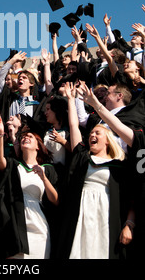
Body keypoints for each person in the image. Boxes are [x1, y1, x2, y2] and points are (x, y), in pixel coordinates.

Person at [55, 82, 134, 259]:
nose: (92, 135)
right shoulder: (83, 158)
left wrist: (129, 224)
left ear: (108, 140)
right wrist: (71, 99)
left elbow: (132, 197)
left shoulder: (119, 165)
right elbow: (74, 126)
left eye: (97, 133)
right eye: (91, 134)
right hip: (80, 212)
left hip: (106, 214)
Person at [0, 113, 58, 259]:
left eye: (30, 137)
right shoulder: (14, 166)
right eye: (22, 137)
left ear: (38, 146)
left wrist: (43, 178)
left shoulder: (48, 169)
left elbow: (55, 200)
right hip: (15, 223)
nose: (25, 138)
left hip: (38, 224)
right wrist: (0, 134)